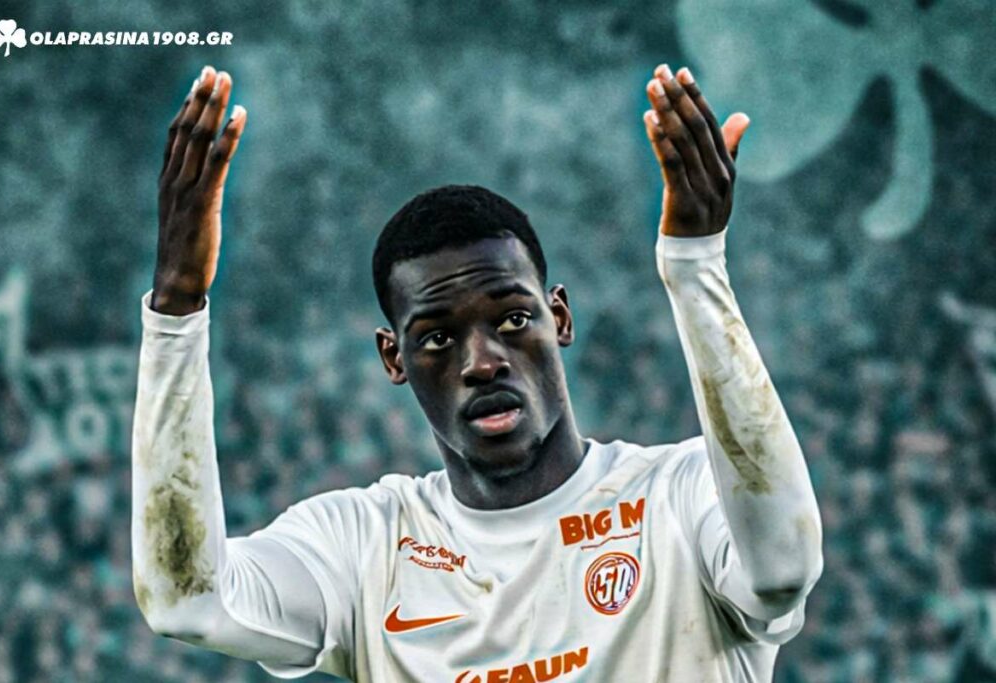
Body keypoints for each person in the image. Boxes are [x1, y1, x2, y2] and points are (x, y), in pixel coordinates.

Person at [131, 63, 823, 682]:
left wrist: (695, 267)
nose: (483, 361)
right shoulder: (363, 546)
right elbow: (186, 602)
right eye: (437, 338)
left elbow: (782, 569)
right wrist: (176, 309)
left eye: (514, 319)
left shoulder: (682, 494)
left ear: (559, 318)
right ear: (394, 358)